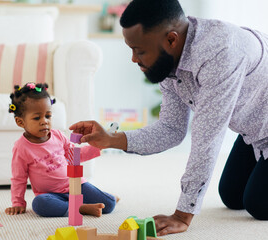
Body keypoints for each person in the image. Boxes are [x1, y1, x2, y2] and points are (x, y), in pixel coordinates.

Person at [69, 0, 268, 236]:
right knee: (232, 196)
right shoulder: (169, 59)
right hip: (254, 129)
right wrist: (110, 139)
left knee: (259, 205)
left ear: (171, 39)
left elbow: (207, 140)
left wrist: (183, 215)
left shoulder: (220, 52)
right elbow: (171, 129)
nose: (133, 59)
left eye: (139, 50)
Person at [5, 82, 117, 218]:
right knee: (39, 204)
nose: (44, 121)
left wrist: (98, 146)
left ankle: (92, 201)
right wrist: (18, 203)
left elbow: (76, 156)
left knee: (109, 205)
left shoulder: (58, 136)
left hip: (75, 185)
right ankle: (81, 208)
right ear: (20, 122)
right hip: (50, 195)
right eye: (36, 117)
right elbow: (18, 178)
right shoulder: (21, 148)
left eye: (48, 116)